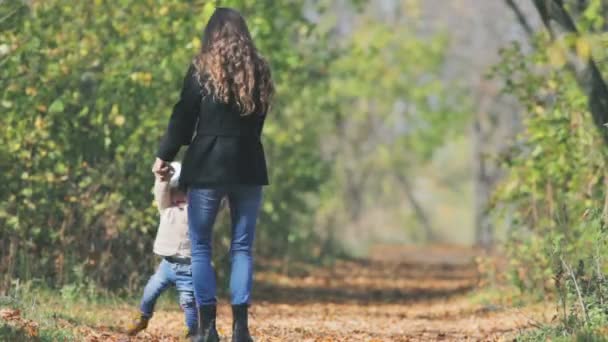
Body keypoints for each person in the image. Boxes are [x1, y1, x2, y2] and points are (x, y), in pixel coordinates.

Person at [152, 7, 274, 342]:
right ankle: (241, 330)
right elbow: (259, 118)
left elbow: (183, 115)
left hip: (207, 162)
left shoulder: (201, 68)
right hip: (248, 162)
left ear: (211, 34)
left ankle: (206, 330)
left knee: (202, 246)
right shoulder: (259, 69)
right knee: (242, 247)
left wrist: (165, 155)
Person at [127, 162, 197, 338]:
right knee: (150, 290)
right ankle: (142, 317)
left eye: (184, 191)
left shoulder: (197, 212)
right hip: (167, 265)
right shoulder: (166, 208)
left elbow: (217, 203)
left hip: (189, 267)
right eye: (174, 191)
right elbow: (161, 190)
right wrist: (162, 178)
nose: (179, 195)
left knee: (188, 301)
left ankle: (192, 330)